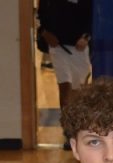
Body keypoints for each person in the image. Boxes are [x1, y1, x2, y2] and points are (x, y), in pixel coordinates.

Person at [38, 0, 94, 149]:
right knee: (65, 87)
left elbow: (93, 17)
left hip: (80, 48)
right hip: (58, 47)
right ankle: (69, 133)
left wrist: (86, 37)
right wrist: (45, 33)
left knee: (80, 91)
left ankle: (81, 129)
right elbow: (41, 18)